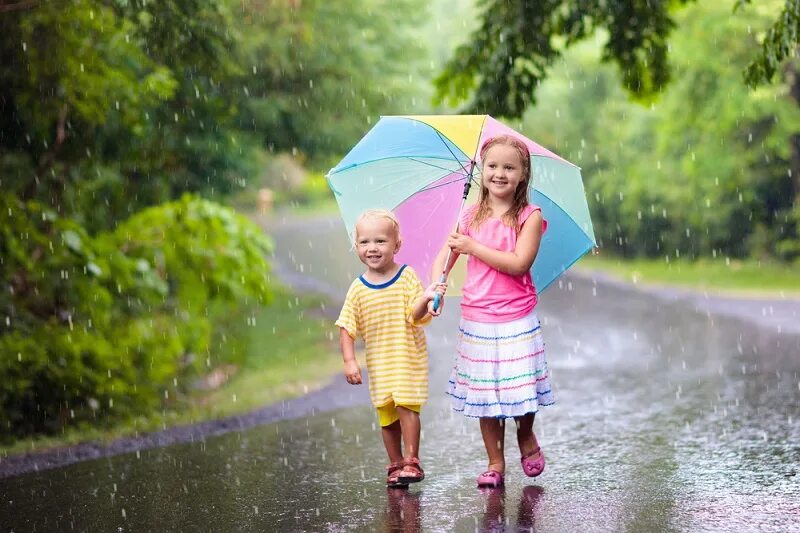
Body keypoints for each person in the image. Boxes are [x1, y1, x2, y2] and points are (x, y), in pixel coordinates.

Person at [431, 134, 554, 488]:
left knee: (519, 387)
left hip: (516, 315)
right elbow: (447, 255)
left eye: (509, 167)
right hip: (478, 316)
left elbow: (518, 264)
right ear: (482, 171)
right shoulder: (468, 214)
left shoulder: (529, 216)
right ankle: (495, 461)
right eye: (493, 166)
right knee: (487, 395)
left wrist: (473, 246)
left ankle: (526, 435)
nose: (499, 173)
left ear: (522, 175)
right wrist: (436, 284)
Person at [336, 209, 446, 488]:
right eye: (365, 242)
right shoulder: (357, 289)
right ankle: (396, 463)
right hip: (379, 362)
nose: (372, 248)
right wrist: (350, 360)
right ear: (356, 246)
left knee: (406, 405)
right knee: (386, 414)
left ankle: (412, 460)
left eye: (381, 241)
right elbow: (347, 326)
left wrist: (427, 297)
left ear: (397, 245)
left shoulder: (407, 277)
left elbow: (416, 315)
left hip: (407, 357)